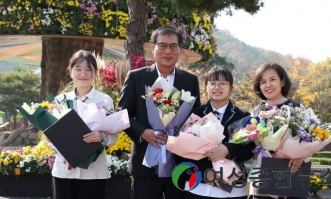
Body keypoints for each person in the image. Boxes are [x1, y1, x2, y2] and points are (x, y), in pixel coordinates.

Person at [117, 24, 201, 199]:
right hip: (145, 162)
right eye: (162, 46)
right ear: (153, 48)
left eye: (173, 46)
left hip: (179, 163)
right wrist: (143, 132)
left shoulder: (190, 81)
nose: (167, 51)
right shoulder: (136, 77)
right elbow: (122, 114)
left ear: (180, 50)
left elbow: (195, 118)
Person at [178, 66, 255, 199]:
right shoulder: (196, 113)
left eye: (222, 83)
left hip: (232, 188)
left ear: (231, 88)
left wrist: (227, 149)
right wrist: (205, 171)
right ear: (205, 87)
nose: (217, 87)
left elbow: (249, 150)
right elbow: (184, 149)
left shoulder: (243, 116)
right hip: (198, 187)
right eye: (212, 83)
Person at [52, 50, 118, 199]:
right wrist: (52, 138)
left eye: (88, 70)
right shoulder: (60, 101)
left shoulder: (105, 100)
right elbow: (49, 136)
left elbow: (114, 136)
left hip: (94, 172)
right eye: (78, 69)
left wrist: (101, 137)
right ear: (70, 71)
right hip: (64, 171)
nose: (83, 74)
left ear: (95, 73)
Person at [249, 63, 307, 199]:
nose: (268, 85)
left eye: (272, 79)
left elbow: (311, 138)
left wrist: (301, 157)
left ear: (282, 81)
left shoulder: (297, 108)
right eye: (263, 82)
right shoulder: (257, 112)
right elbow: (250, 142)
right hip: (263, 177)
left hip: (292, 175)